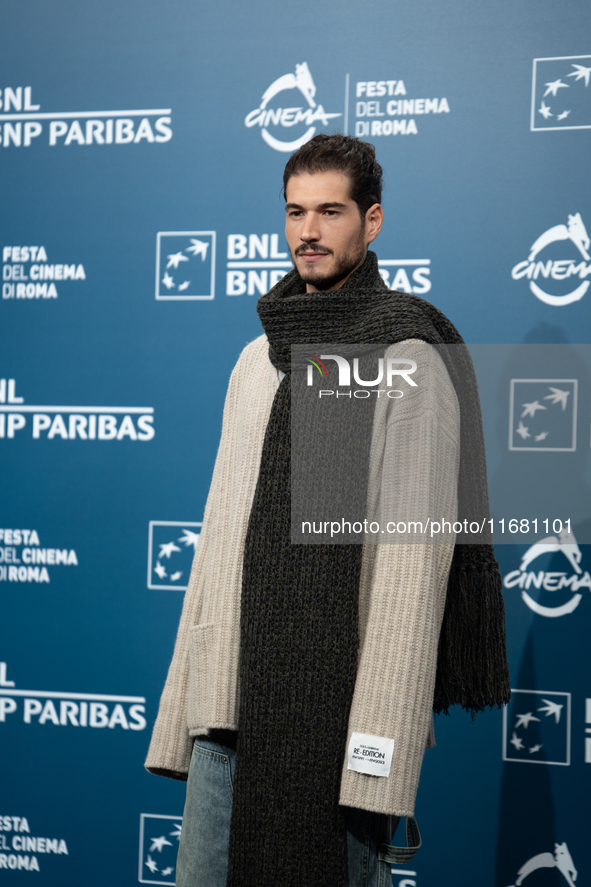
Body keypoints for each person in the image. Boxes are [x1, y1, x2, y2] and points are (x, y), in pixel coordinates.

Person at [145, 134, 510, 887]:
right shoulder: (257, 359)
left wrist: (377, 748)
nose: (308, 231)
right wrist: (183, 707)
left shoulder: (405, 357)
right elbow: (219, 544)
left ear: (370, 222)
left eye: (330, 211)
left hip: (333, 726)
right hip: (226, 715)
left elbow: (410, 574)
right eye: (295, 212)